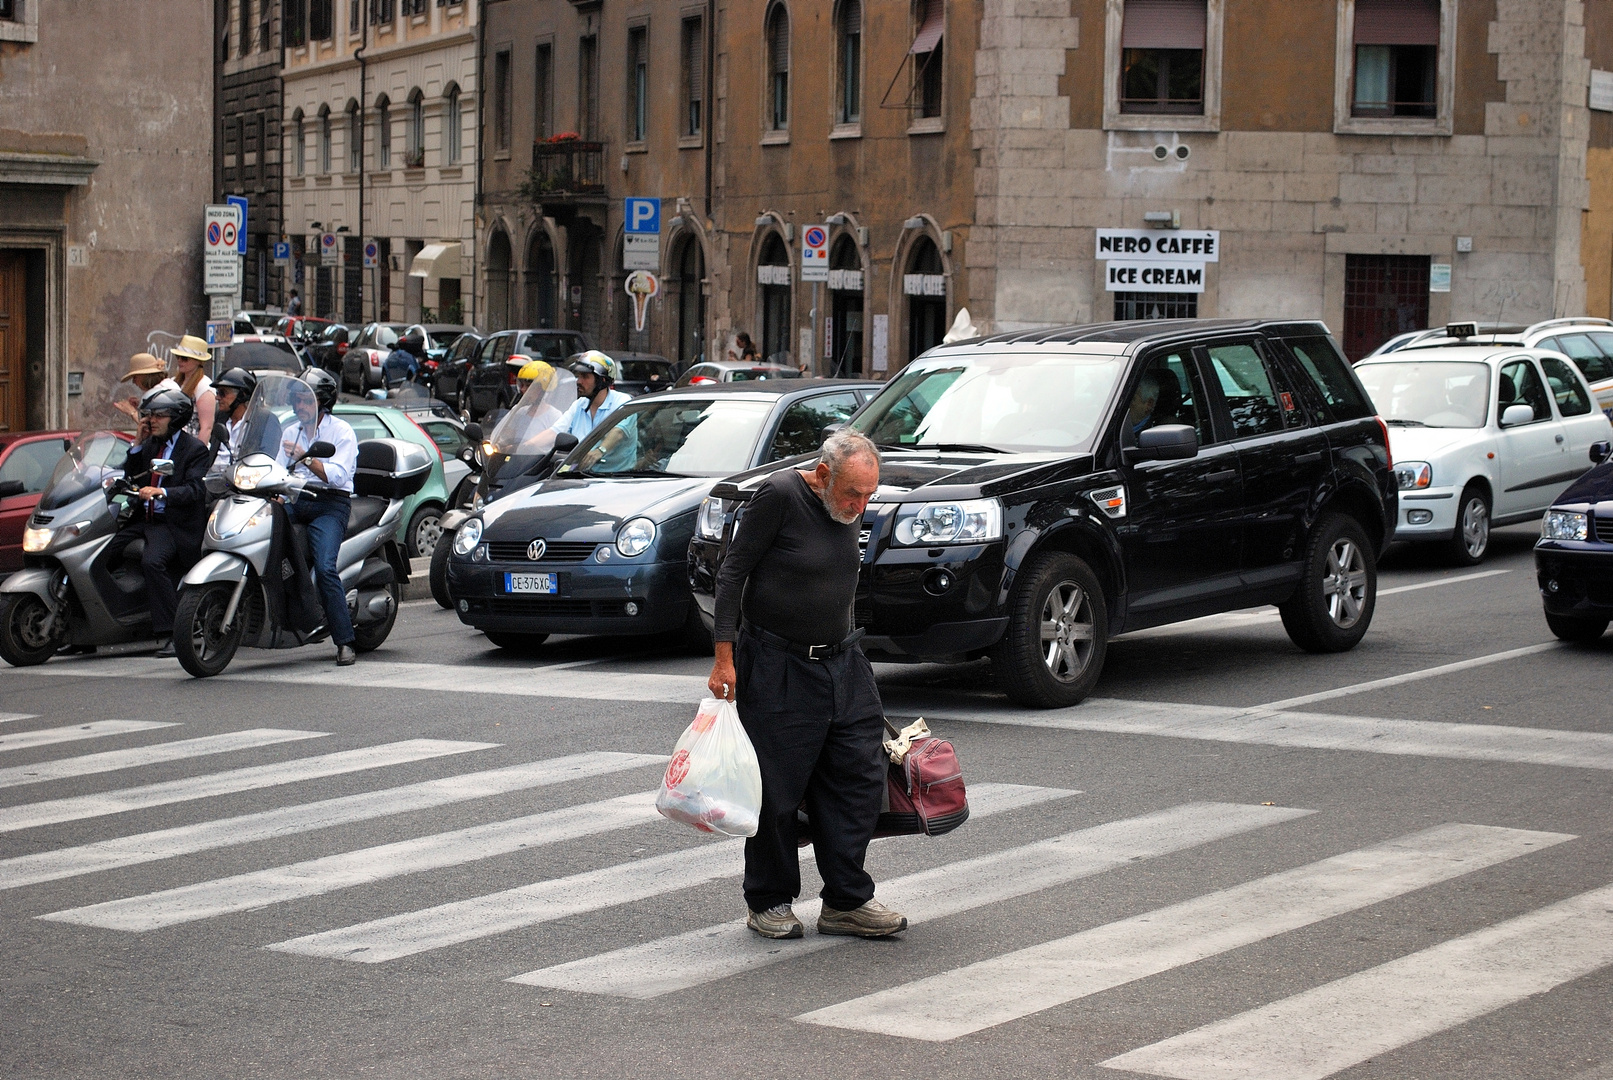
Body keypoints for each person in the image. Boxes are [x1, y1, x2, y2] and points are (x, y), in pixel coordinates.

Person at [707, 428, 904, 941]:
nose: (861, 505)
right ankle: (769, 899)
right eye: (852, 494)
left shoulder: (848, 507)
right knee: (777, 790)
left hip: (843, 663)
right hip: (778, 665)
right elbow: (731, 576)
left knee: (860, 779)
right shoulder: (779, 496)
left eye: (869, 495)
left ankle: (845, 901)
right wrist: (724, 658)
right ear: (822, 475)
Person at [105, 388, 213, 658]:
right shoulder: (151, 444)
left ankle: (175, 632)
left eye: (159, 415)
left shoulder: (195, 449)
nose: (151, 420)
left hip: (172, 523)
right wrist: (138, 442)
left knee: (153, 561)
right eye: (149, 415)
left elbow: (195, 491)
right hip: (145, 518)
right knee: (102, 550)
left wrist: (162, 492)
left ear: (176, 418)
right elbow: (133, 476)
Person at [276, 368, 361, 666]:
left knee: (325, 567)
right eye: (297, 401)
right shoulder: (289, 431)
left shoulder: (341, 432)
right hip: (296, 499)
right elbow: (276, 470)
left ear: (322, 403)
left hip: (329, 504)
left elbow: (337, 477)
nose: (300, 408)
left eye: (307, 402)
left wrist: (306, 457)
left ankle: (345, 641)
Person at [169, 335, 217, 443]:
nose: (180, 361)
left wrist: (197, 454)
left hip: (191, 445)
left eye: (185, 358)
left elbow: (206, 428)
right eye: (178, 357)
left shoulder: (204, 386)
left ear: (198, 361)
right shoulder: (174, 382)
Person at [210, 367, 257, 469]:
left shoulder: (261, 421)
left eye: (222, 393)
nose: (217, 397)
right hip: (216, 478)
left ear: (242, 394)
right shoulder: (220, 417)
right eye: (217, 393)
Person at [113, 353, 180, 421]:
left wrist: (132, 412)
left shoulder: (159, 392)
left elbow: (152, 427)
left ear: (144, 376)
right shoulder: (168, 384)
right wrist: (143, 405)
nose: (133, 381)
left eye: (135, 377)